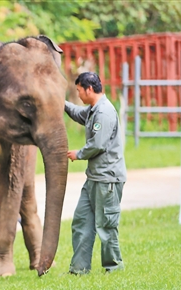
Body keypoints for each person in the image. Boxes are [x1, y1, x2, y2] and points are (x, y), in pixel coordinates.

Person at [65, 72, 127, 275]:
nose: (78, 94)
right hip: (93, 178)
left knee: (106, 225)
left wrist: (78, 154)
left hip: (107, 179)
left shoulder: (104, 113)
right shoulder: (93, 110)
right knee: (82, 221)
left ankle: (114, 268)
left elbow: (98, 144)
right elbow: (77, 113)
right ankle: (79, 269)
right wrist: (60, 102)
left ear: (88, 89)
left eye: (79, 90)